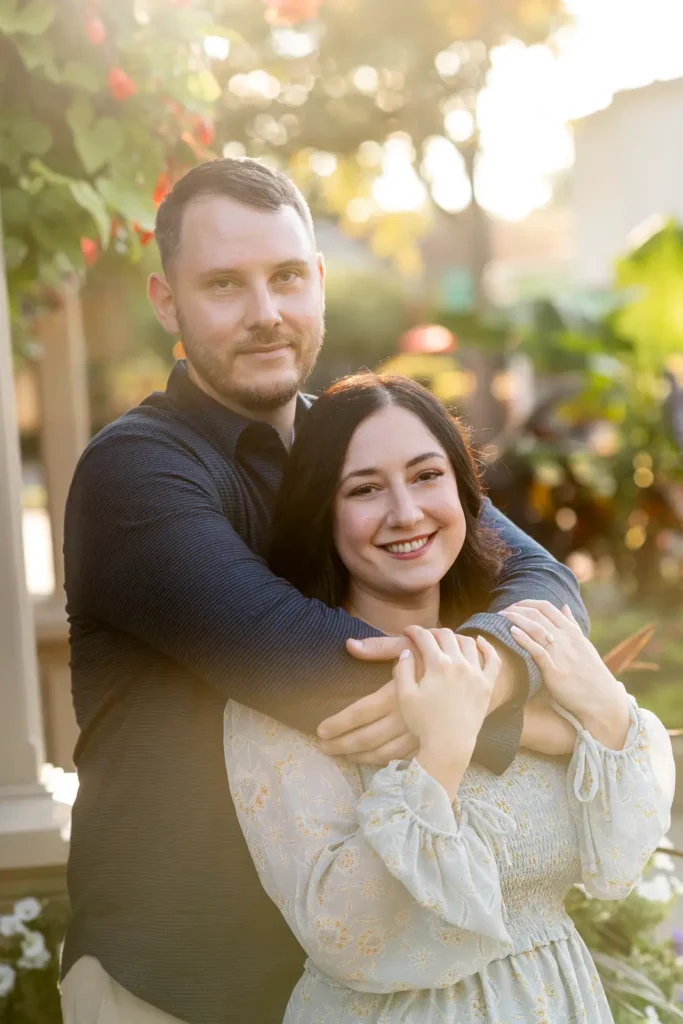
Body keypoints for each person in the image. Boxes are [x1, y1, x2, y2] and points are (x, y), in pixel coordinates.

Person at [60, 158, 589, 1024]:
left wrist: (492, 670)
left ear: (318, 282)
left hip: (354, 987)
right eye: (225, 284)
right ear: (167, 303)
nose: (265, 313)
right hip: (174, 982)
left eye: (287, 277)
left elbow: (542, 579)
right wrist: (559, 720)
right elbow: (310, 668)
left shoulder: (356, 442)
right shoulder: (137, 472)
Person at [225, 372, 675, 1024]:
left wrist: (600, 713)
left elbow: (619, 857)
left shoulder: (523, 652)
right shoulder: (287, 696)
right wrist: (439, 755)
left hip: (557, 998)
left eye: (426, 475)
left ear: (465, 495)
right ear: (320, 511)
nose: (406, 512)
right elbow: (343, 933)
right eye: (364, 489)